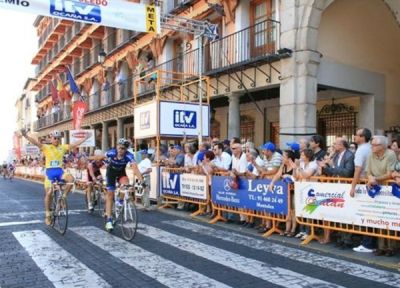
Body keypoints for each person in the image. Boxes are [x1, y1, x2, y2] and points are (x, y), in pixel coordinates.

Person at [20, 129, 89, 225]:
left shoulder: (63, 147)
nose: (56, 140)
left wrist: (85, 138)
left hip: (60, 172)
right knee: (49, 194)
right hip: (50, 174)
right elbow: (35, 142)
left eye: (58, 138)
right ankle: (48, 214)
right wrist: (26, 136)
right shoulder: (46, 147)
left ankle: (63, 198)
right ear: (51, 139)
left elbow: (74, 144)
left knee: (71, 179)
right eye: (55, 138)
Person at [91, 138, 143, 231]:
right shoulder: (112, 152)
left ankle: (120, 201)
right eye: (119, 147)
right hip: (111, 173)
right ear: (116, 147)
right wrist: (89, 159)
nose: (120, 150)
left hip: (121, 173)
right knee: (110, 194)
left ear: (126, 149)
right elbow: (99, 158)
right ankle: (109, 220)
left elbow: (135, 168)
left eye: (122, 148)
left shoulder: (129, 156)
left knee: (126, 183)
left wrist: (142, 181)